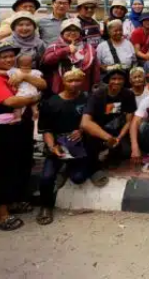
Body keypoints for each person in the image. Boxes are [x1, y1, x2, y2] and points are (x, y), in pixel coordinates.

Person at [0, 42, 41, 231]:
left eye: (10, 56)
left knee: (22, 164)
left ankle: (15, 201)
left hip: (22, 124)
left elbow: (41, 85)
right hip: (3, 129)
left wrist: (30, 86)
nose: (8, 59)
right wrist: (35, 98)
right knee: (5, 169)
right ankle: (2, 213)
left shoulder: (16, 73)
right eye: (3, 57)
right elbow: (11, 101)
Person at [36, 67, 106, 226]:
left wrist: (82, 130)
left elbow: (95, 122)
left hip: (81, 146)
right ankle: (46, 206)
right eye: (70, 81)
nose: (74, 84)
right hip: (58, 145)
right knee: (47, 177)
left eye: (78, 81)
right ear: (63, 82)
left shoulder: (88, 98)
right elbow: (46, 130)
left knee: (78, 178)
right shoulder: (51, 103)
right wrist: (52, 145)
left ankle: (82, 168)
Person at [81, 66, 136, 169]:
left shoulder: (128, 94)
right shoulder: (97, 95)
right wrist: (108, 138)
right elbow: (85, 123)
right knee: (91, 152)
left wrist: (119, 138)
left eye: (120, 79)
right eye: (114, 79)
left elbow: (129, 121)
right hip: (99, 131)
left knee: (126, 152)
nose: (117, 82)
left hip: (117, 131)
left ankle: (110, 154)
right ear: (108, 80)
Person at [10, 52, 46, 123]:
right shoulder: (36, 72)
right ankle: (35, 112)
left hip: (22, 93)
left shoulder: (15, 71)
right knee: (34, 104)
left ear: (18, 64)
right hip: (33, 92)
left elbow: (6, 73)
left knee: (18, 106)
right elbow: (41, 75)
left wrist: (15, 86)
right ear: (31, 63)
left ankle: (18, 117)